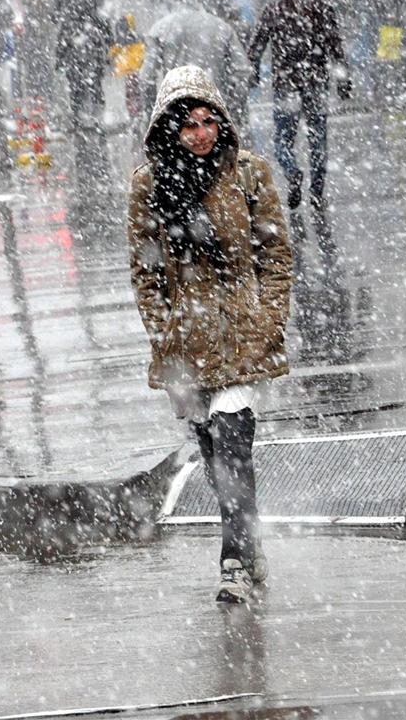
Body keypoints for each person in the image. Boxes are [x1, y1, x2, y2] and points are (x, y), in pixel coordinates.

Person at [128, 65, 292, 603]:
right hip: (186, 346)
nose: (200, 134)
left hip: (243, 337)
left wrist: (268, 319)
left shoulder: (249, 173)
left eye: (208, 122)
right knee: (214, 454)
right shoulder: (150, 186)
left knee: (234, 445)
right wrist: (162, 333)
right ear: (168, 129)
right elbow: (144, 271)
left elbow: (276, 255)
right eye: (188, 125)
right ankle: (249, 543)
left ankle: (233, 563)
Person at [248, 0, 352, 265]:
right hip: (315, 86)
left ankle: (292, 171)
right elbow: (336, 48)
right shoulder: (322, 10)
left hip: (286, 88)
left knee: (283, 140)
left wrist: (253, 73)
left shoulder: (273, 10)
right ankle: (317, 193)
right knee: (318, 140)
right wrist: (343, 80)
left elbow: (255, 48)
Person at [139, 0, 253, 147]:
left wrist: (155, 116)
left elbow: (146, 78)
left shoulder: (159, 30)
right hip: (214, 115)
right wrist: (231, 107)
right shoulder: (221, 28)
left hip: (177, 118)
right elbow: (243, 72)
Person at [54, 0, 113, 131]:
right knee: (96, 84)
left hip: (73, 49)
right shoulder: (91, 0)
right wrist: (107, 52)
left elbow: (57, 21)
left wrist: (60, 58)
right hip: (92, 49)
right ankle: (97, 118)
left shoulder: (67, 0)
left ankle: (77, 117)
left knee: (75, 85)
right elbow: (104, 27)